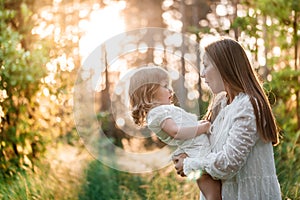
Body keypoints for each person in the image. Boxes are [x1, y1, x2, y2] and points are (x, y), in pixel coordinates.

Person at [173, 37, 281, 200]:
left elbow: (229, 163)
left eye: (206, 65)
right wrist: (184, 154)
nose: (202, 74)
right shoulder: (222, 105)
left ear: (223, 67)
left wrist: (188, 165)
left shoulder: (247, 105)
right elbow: (208, 152)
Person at [128, 66, 222, 200]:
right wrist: (203, 128)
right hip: (197, 151)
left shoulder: (162, 111)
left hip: (197, 147)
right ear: (149, 92)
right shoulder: (157, 113)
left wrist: (199, 125)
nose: (170, 90)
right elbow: (176, 132)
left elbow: (185, 126)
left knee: (214, 188)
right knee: (212, 191)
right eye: (165, 86)